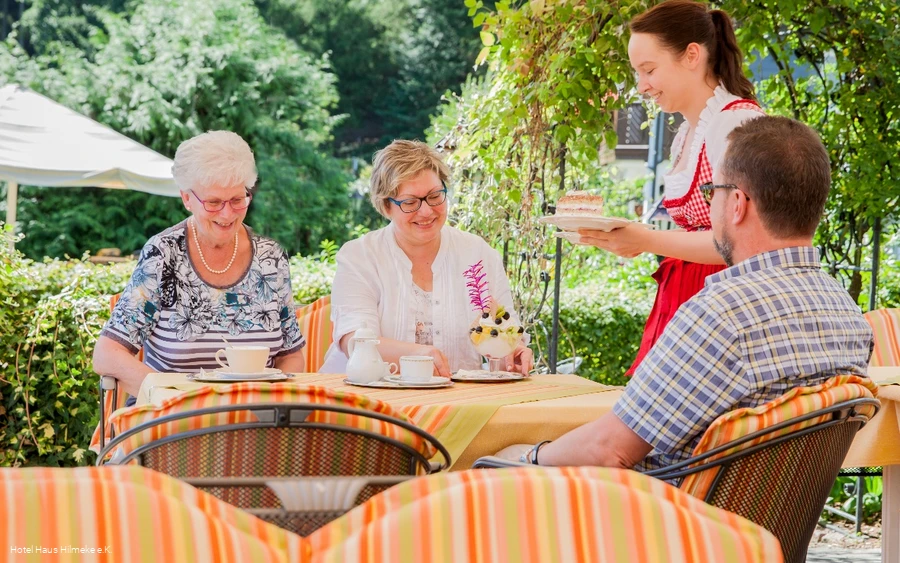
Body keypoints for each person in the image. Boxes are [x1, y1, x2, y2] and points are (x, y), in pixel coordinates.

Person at [501, 116, 874, 471]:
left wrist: (528, 457)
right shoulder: (850, 318)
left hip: (672, 523)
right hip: (768, 531)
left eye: (712, 190)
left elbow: (609, 449)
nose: (710, 204)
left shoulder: (722, 315)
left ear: (738, 204)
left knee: (500, 460)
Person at [580, 0, 764, 375]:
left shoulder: (735, 124)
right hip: (689, 299)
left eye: (648, 70)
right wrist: (631, 238)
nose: (642, 85)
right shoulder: (686, 133)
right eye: (637, 73)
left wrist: (646, 239)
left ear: (692, 55)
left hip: (724, 307)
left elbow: (742, 245)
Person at [93, 131, 306, 399]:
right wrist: (169, 395)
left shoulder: (271, 257)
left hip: (253, 418)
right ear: (186, 199)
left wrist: (273, 401)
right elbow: (107, 354)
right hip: (175, 419)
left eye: (238, 200)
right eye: (214, 202)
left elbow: (291, 354)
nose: (227, 214)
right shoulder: (164, 254)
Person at [320, 140, 533, 377]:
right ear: (385, 206)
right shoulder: (360, 257)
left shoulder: (477, 254)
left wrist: (512, 353)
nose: (426, 211)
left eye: (435, 196)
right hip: (364, 400)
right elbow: (356, 342)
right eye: (410, 202)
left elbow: (504, 331)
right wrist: (420, 355)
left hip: (456, 401)